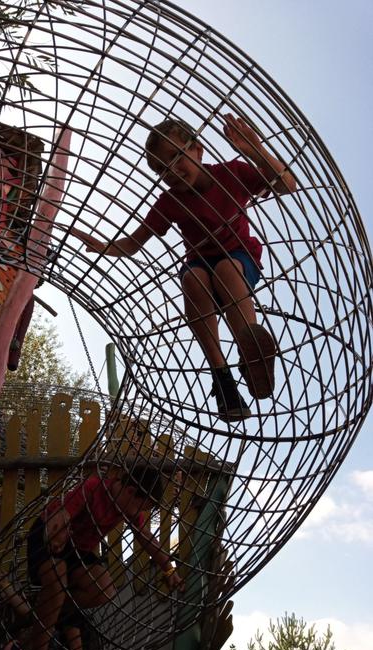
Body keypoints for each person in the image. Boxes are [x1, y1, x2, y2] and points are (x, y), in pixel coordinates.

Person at [72, 114, 297, 421]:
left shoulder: (231, 173)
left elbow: (286, 184)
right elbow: (134, 242)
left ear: (198, 150)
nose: (171, 171)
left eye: (176, 157)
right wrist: (104, 246)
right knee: (192, 278)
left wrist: (255, 150)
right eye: (161, 169)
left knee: (226, 270)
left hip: (240, 260)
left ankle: (251, 351)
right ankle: (222, 378)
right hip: (200, 268)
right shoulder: (169, 201)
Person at [14, 463, 184, 650]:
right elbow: (64, 512)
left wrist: (168, 569)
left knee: (104, 589)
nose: (138, 513)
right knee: (57, 578)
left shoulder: (128, 508)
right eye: (140, 506)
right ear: (130, 491)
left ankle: (48, 613)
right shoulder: (94, 487)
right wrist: (57, 532)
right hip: (50, 536)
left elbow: (146, 537)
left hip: (78, 552)